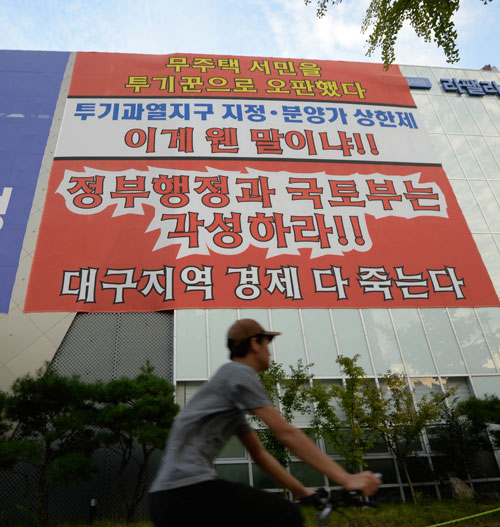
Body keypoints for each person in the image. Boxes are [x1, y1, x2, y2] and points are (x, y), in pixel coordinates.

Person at [149, 318, 380, 527]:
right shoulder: (238, 373)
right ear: (255, 343)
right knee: (285, 515)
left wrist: (301, 492)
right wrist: (346, 478)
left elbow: (259, 454)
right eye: (267, 344)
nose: (269, 352)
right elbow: (285, 432)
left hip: (167, 500)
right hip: (187, 493)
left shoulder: (227, 395)